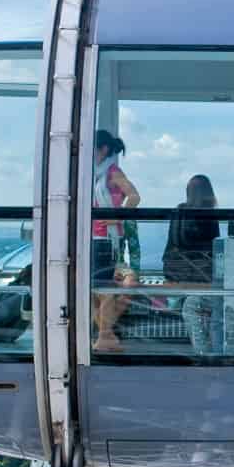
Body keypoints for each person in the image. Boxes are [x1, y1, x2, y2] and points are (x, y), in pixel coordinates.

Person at [89, 130, 140, 352]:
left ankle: (105, 336)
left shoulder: (112, 172)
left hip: (107, 239)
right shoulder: (96, 174)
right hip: (93, 237)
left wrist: (117, 215)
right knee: (94, 289)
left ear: (103, 149)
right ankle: (106, 335)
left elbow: (135, 196)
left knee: (104, 289)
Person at [162, 175, 222, 355]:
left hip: (179, 271)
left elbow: (173, 243)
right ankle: (212, 349)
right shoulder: (211, 214)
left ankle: (203, 350)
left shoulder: (180, 211)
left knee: (192, 305)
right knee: (209, 307)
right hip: (204, 274)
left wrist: (170, 273)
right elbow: (214, 246)